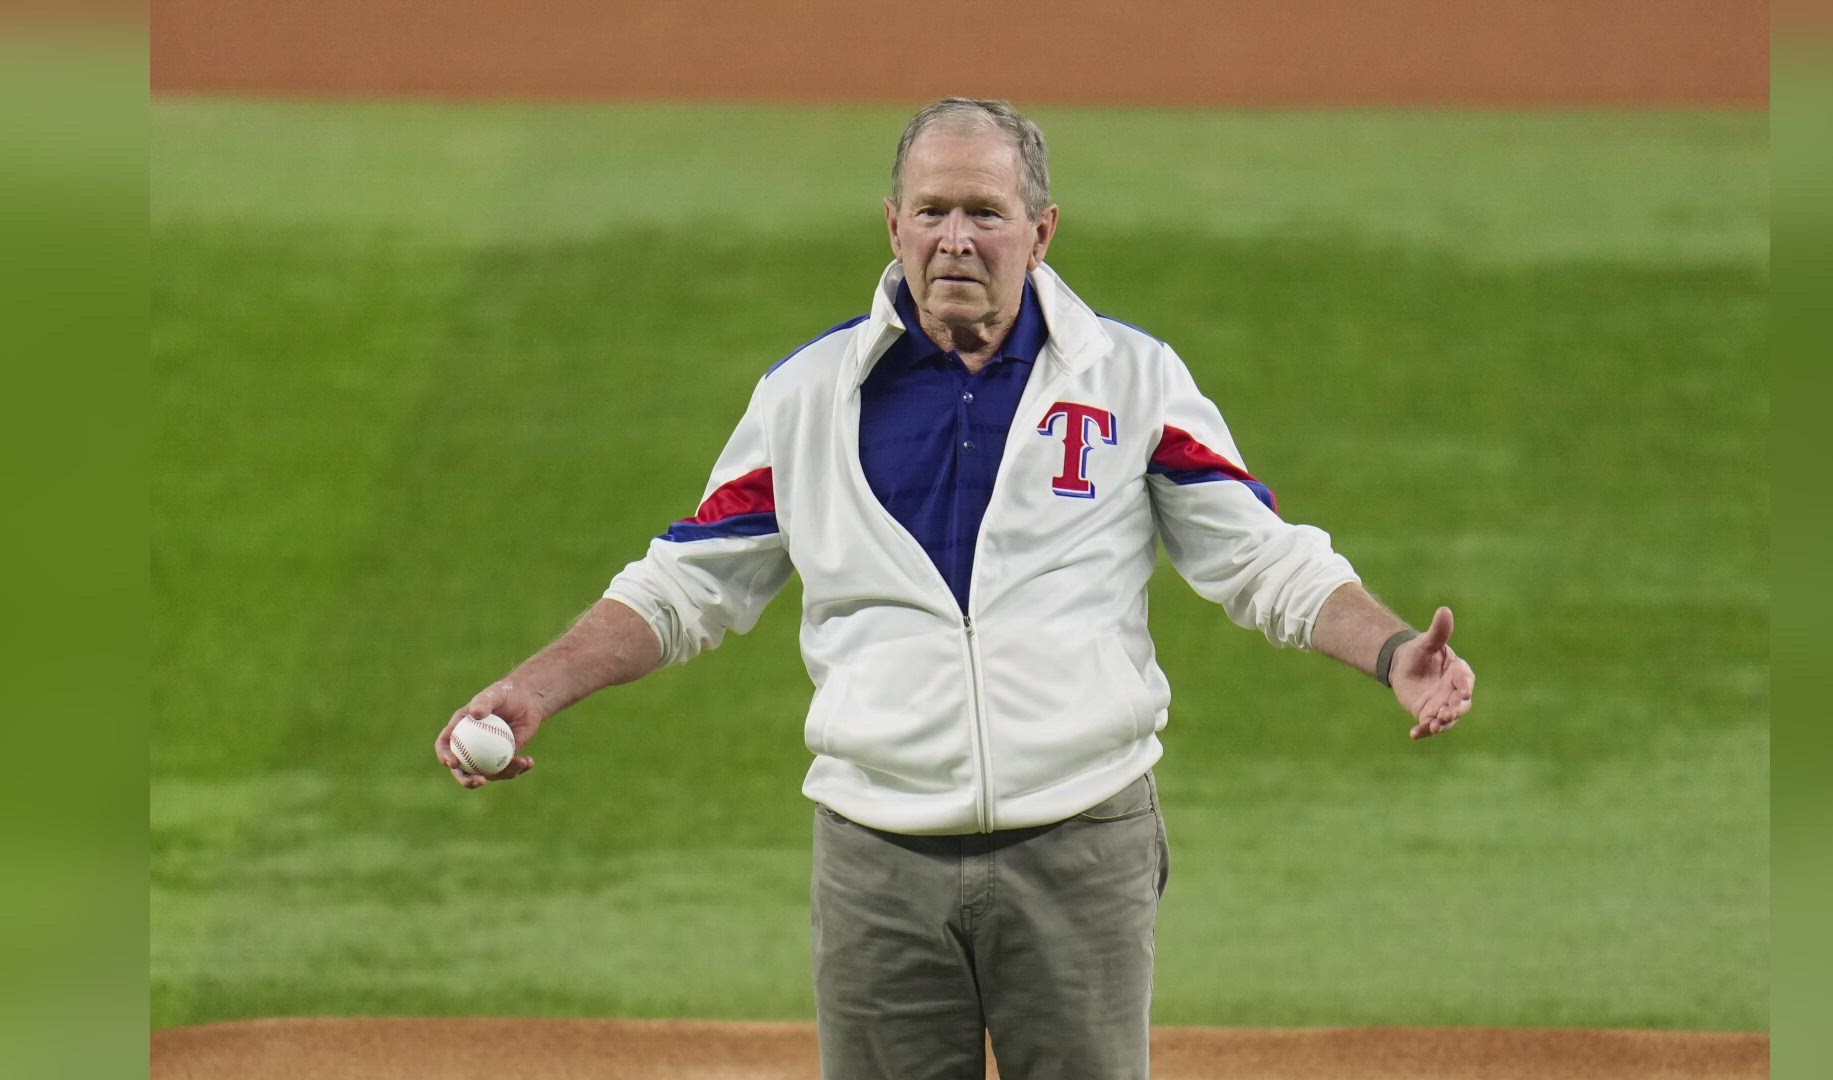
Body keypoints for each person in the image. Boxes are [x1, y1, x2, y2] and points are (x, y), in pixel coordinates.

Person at [435, 97, 1475, 1080]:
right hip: (878, 858)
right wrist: (534, 688)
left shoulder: (1130, 381)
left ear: (1042, 230)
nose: (957, 238)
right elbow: (684, 587)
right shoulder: (807, 398)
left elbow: (1262, 556)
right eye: (933, 211)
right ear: (893, 226)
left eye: (987, 212)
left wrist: (1390, 652)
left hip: (1081, 843)